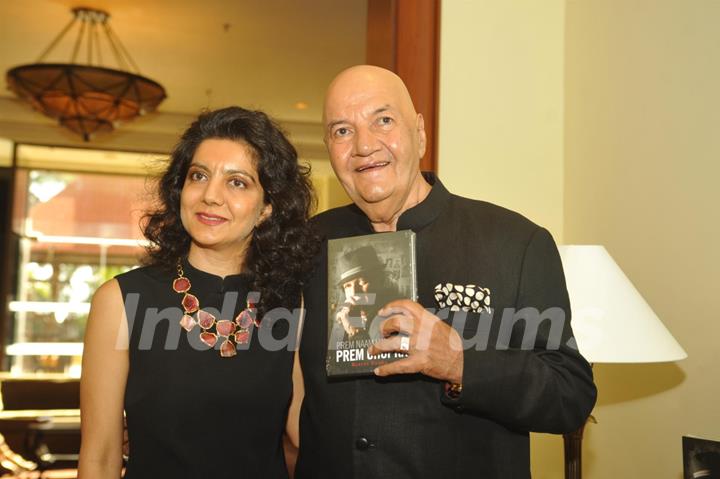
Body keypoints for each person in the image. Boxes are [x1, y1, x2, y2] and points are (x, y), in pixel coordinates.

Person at [292, 65, 598, 478]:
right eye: (342, 131)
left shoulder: (514, 242)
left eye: (383, 120)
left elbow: (570, 395)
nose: (364, 145)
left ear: (419, 132)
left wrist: (459, 362)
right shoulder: (305, 244)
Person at [79, 106, 315, 478]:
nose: (210, 196)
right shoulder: (121, 302)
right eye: (198, 176)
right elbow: (100, 456)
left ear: (268, 206)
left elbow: (310, 436)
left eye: (237, 182)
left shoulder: (291, 304)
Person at [332, 245, 401, 341]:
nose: (354, 292)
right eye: (348, 286)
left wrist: (355, 333)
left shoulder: (393, 314)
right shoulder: (346, 316)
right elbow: (333, 353)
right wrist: (339, 328)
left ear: (379, 280)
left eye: (362, 282)